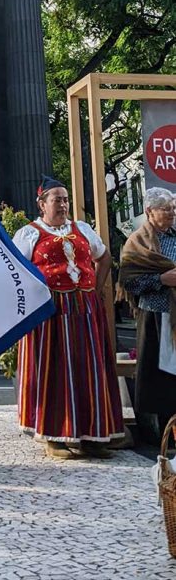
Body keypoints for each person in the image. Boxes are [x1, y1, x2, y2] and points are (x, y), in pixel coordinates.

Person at [13, 176, 123, 459]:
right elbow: (16, 271)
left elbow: (105, 257)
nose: (63, 204)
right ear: (41, 204)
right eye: (56, 199)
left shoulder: (82, 229)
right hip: (51, 312)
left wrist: (95, 290)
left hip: (85, 309)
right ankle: (53, 436)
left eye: (65, 199)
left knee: (89, 369)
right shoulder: (29, 233)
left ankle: (90, 435)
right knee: (54, 371)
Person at [119, 187, 176, 442]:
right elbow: (129, 281)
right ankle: (166, 435)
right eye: (166, 208)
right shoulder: (137, 243)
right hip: (157, 316)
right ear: (149, 212)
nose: (171, 212)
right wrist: (160, 279)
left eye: (173, 208)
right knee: (163, 378)